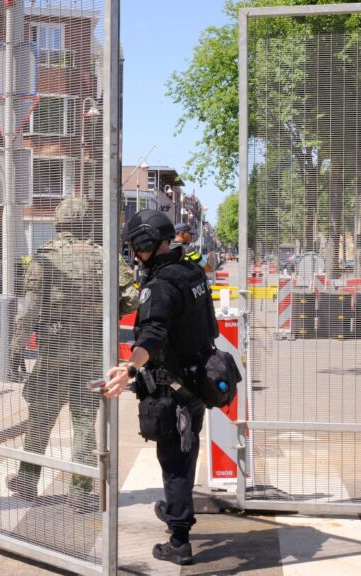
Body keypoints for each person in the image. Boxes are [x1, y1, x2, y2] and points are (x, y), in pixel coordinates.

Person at [102, 209, 219, 566]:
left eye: (136, 247)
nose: (135, 255)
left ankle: (179, 540)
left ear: (147, 243)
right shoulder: (191, 271)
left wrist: (129, 368)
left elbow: (152, 334)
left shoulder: (160, 285)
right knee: (186, 450)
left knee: (174, 461)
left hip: (174, 388)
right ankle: (174, 509)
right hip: (197, 380)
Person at [6, 198, 139, 509]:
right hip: (92, 352)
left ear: (58, 222)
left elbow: (28, 310)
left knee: (41, 416)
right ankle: (79, 491)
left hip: (54, 352)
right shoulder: (105, 256)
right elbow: (132, 299)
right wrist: (107, 315)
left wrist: (16, 348)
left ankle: (27, 480)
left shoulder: (45, 257)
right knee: (84, 420)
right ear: (87, 223)